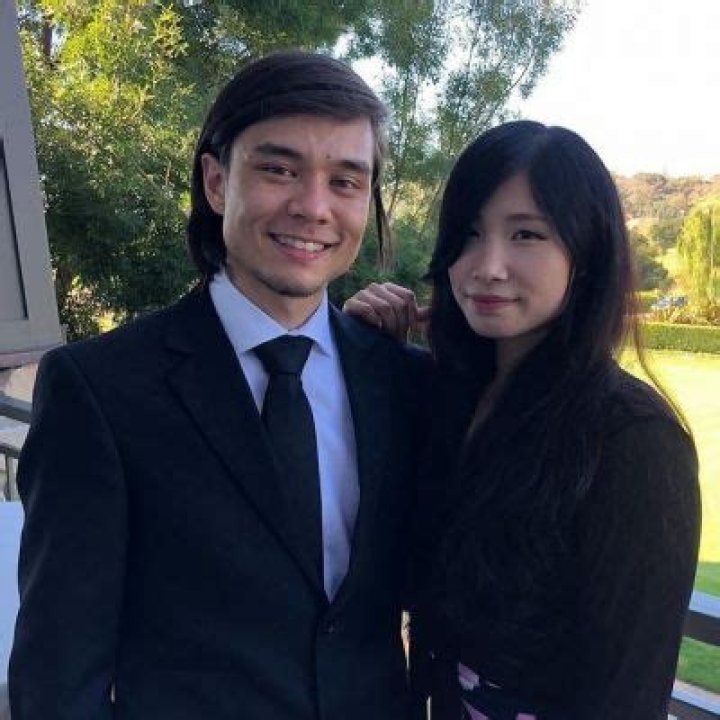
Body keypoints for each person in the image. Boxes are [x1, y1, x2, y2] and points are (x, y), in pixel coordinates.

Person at [9, 51, 430, 720]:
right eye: (279, 169)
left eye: (345, 181)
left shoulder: (402, 380)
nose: (313, 207)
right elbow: (59, 674)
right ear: (215, 181)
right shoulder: (102, 391)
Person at [344, 120, 701, 719]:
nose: (488, 266)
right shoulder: (449, 398)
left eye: (526, 234)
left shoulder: (633, 439)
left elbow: (627, 694)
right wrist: (360, 351)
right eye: (469, 234)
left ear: (585, 252)